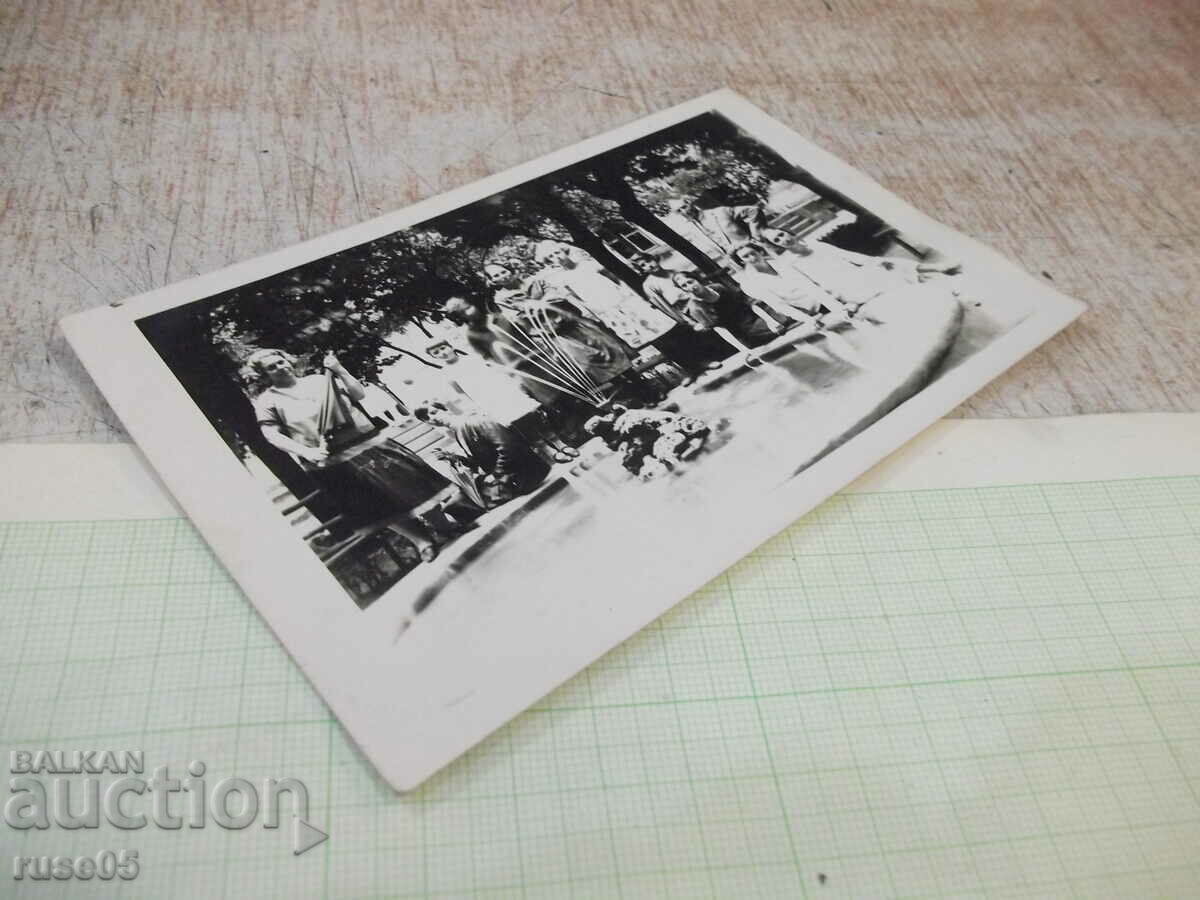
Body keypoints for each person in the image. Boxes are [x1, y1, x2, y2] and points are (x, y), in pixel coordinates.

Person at [248, 348, 473, 563]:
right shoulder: (268, 402)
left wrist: (339, 369)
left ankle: (443, 526)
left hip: (368, 442)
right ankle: (421, 541)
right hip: (330, 459)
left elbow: (358, 394)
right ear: (264, 374)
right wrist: (307, 452)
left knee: (412, 484)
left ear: (288, 361)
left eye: (281, 361)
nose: (279, 367)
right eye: (271, 367)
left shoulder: (318, 380)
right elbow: (271, 435)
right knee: (373, 503)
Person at [483, 261, 653, 406]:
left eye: (503, 271)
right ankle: (635, 394)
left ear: (511, 270)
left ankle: (647, 389)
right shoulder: (502, 299)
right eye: (496, 276)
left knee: (611, 353)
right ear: (492, 281)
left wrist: (535, 305)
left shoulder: (536, 282)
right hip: (555, 335)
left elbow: (556, 296)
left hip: (573, 324)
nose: (502, 276)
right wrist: (539, 307)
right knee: (594, 363)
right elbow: (517, 318)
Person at [425, 337, 578, 463]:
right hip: (487, 400)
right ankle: (549, 451)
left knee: (535, 416)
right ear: (434, 357)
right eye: (436, 353)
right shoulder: (447, 373)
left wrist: (514, 385)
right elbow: (461, 393)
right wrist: (477, 408)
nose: (442, 353)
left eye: (443, 348)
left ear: (450, 346)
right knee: (521, 424)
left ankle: (560, 444)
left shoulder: (471, 358)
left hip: (503, 391)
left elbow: (496, 371)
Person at [729, 243, 868, 367]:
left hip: (819, 297)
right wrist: (808, 319)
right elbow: (780, 305)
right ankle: (852, 360)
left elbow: (809, 286)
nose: (753, 257)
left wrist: (836, 306)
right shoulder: (750, 283)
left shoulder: (780, 263)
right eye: (746, 256)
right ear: (741, 261)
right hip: (799, 310)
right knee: (833, 333)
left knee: (854, 309)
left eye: (754, 252)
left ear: (759, 251)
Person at [757, 226, 957, 312]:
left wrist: (874, 261)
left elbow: (847, 256)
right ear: (777, 246)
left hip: (856, 273)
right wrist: (840, 307)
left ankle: (941, 273)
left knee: (890, 265)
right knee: (892, 276)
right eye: (778, 240)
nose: (784, 239)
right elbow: (813, 289)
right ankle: (941, 279)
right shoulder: (789, 264)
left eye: (782, 234)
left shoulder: (814, 244)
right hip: (845, 289)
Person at [531, 241, 674, 350]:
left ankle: (688, 357)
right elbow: (576, 298)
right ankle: (682, 366)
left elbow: (615, 278)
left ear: (564, 251)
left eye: (557, 253)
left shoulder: (588, 264)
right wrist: (592, 311)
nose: (557, 258)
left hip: (625, 301)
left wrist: (630, 294)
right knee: (644, 336)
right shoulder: (561, 279)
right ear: (549, 262)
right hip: (607, 310)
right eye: (551, 257)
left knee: (657, 328)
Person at [413, 401, 551, 505]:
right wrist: (453, 457)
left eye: (434, 412)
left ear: (445, 410)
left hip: (529, 476)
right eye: (426, 419)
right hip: (514, 483)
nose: (433, 418)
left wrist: (496, 474)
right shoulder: (458, 433)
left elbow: (509, 446)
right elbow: (481, 461)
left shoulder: (474, 422)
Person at [628, 253, 734, 375]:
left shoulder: (675, 272)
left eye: (649, 261)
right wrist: (682, 320)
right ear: (642, 270)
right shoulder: (649, 285)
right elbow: (664, 306)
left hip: (701, 306)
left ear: (654, 259)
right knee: (700, 337)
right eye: (644, 265)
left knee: (718, 329)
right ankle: (709, 362)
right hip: (684, 313)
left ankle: (731, 352)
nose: (649, 265)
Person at [661, 193, 768, 260]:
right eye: (679, 211)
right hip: (738, 262)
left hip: (756, 252)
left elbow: (753, 211)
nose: (684, 211)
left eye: (684, 207)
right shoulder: (691, 229)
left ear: (690, 203)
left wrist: (756, 236)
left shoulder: (719, 212)